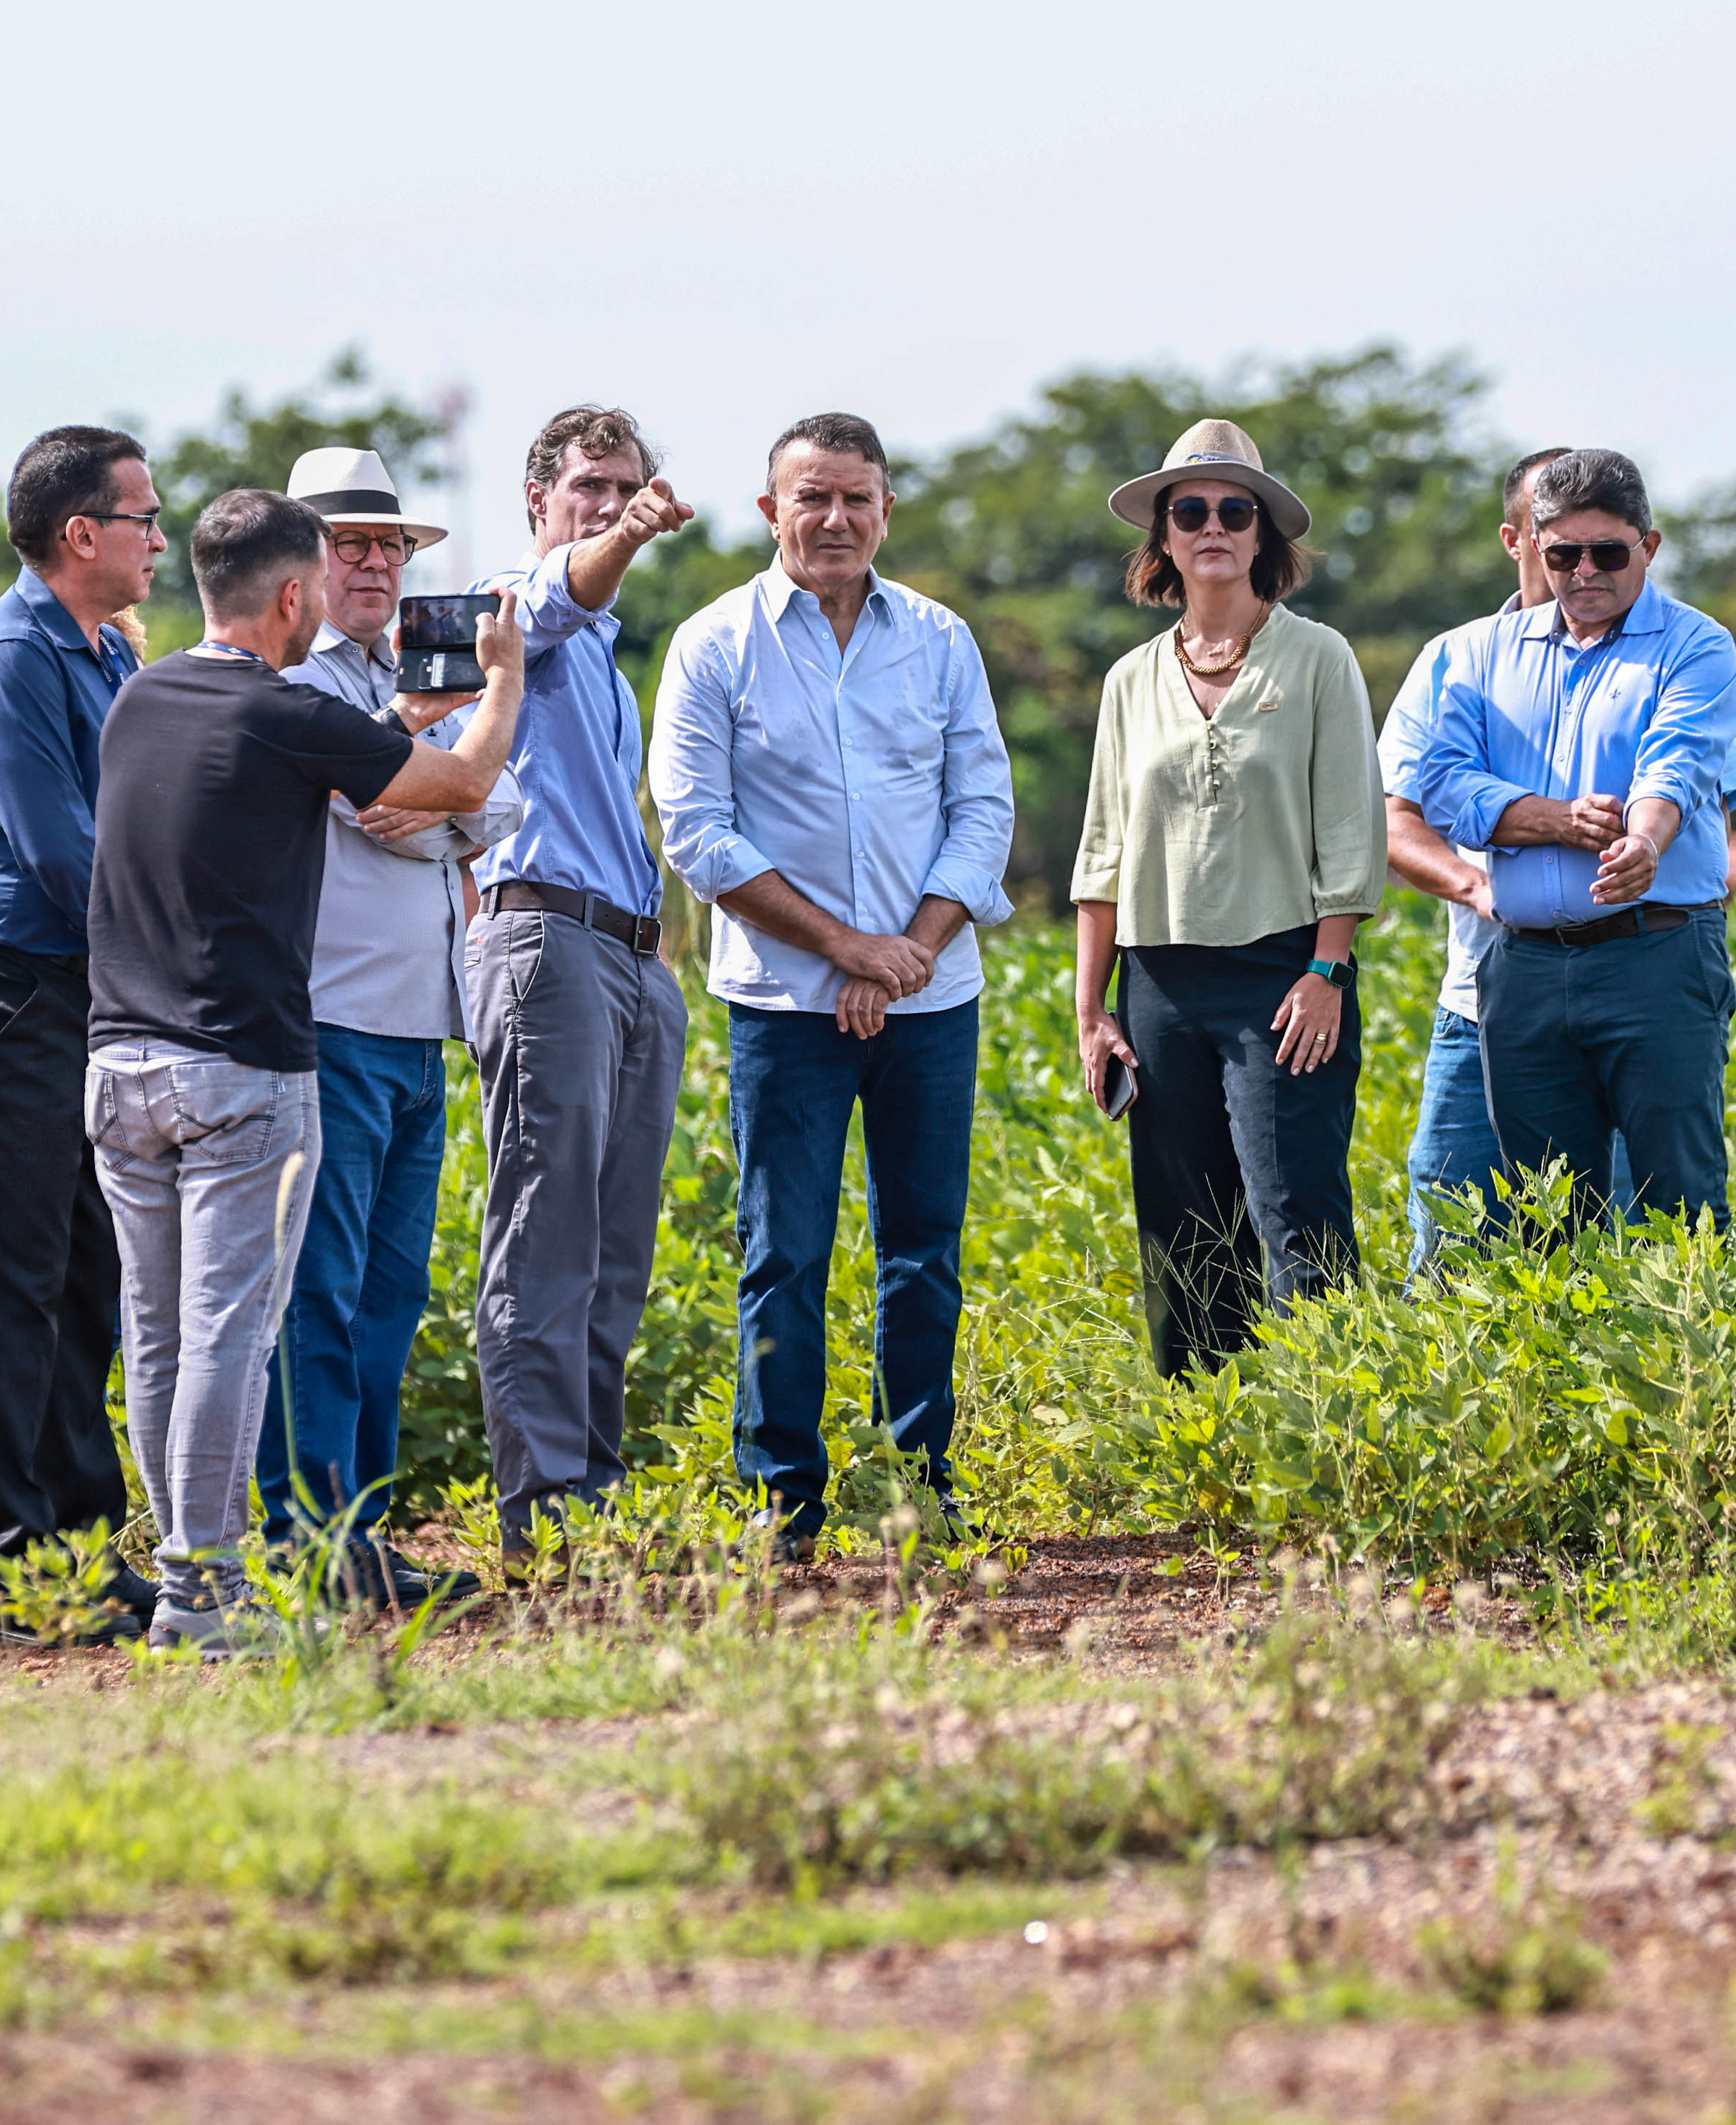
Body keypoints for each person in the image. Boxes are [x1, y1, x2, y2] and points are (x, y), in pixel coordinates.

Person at [87, 489, 524, 1651]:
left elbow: (294, 767)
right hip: (242, 1063)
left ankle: (190, 1578)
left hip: (120, 1058)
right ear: (294, 597)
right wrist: (505, 681)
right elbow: (467, 786)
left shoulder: (146, 695)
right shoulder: (284, 708)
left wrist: (395, 716)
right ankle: (208, 1591)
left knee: (163, 1333)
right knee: (236, 1332)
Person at [649, 413, 1015, 1555]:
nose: (836, 519)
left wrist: (906, 947)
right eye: (812, 497)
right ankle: (783, 1497)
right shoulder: (715, 644)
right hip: (784, 1006)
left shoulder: (941, 638)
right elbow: (697, 834)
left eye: (856, 498)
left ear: (887, 509)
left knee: (922, 1247)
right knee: (785, 1251)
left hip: (931, 995)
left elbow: (982, 806)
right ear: (771, 512)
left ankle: (921, 1482)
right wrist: (846, 950)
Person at [256, 445, 522, 1610]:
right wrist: (443, 782)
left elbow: (484, 806)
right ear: (296, 564)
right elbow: (395, 810)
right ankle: (309, 1539)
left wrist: (440, 790)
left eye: (388, 545)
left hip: (420, 1021)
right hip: (332, 1017)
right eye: (346, 542)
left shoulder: (403, 680)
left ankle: (356, 1532)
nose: (372, 563)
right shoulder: (295, 685)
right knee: (316, 1293)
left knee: (387, 1297)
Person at [1069, 420, 1388, 1375]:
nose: (1213, 526)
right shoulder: (1131, 680)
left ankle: (1330, 1424)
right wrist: (1093, 1009)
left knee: (1294, 1208)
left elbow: (1352, 831)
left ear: (1262, 537)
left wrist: (1329, 969)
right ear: (1164, 538)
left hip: (1285, 972)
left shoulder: (1320, 658)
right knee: (1183, 1219)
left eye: (1233, 510)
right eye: (1191, 511)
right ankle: (1203, 1440)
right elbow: (1103, 852)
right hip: (1159, 979)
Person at [0, 423, 167, 1640]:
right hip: (18, 986)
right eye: (143, 518)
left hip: (93, 988)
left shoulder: (99, 654)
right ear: (81, 534)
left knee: (88, 1274)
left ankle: (79, 1550)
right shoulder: (10, 659)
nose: (158, 539)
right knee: (11, 1278)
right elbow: (62, 851)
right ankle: (6, 1571)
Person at [1410, 448, 1736, 1232]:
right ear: (1533, 547)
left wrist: (1645, 840)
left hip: (1656, 954)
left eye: (1609, 551)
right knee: (1548, 1214)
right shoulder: (1479, 654)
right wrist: (1542, 813)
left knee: (1680, 1199)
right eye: (1563, 553)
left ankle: (1693, 1357)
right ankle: (1571, 1358)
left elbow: (1678, 761)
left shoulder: (1697, 647)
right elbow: (1441, 782)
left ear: (1650, 546)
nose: (1585, 571)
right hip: (1523, 965)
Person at [468, 406, 698, 1564]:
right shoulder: (519, 608)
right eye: (590, 488)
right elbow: (572, 586)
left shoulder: (602, 656)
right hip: (546, 940)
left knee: (613, 1249)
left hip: (627, 955)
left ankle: (590, 1503)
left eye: (627, 488)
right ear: (539, 502)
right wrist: (635, 535)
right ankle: (544, 1513)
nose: (610, 506)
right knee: (546, 1238)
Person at [1375, 446, 1575, 1273]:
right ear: (1514, 539)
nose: (1577, 563)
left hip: (1623, 992)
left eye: (1598, 544)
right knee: (1454, 1247)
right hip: (1481, 998)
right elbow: (1391, 820)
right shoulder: (1455, 657)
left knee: (1629, 1253)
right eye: (1554, 538)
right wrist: (1483, 888)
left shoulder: (1664, 653)